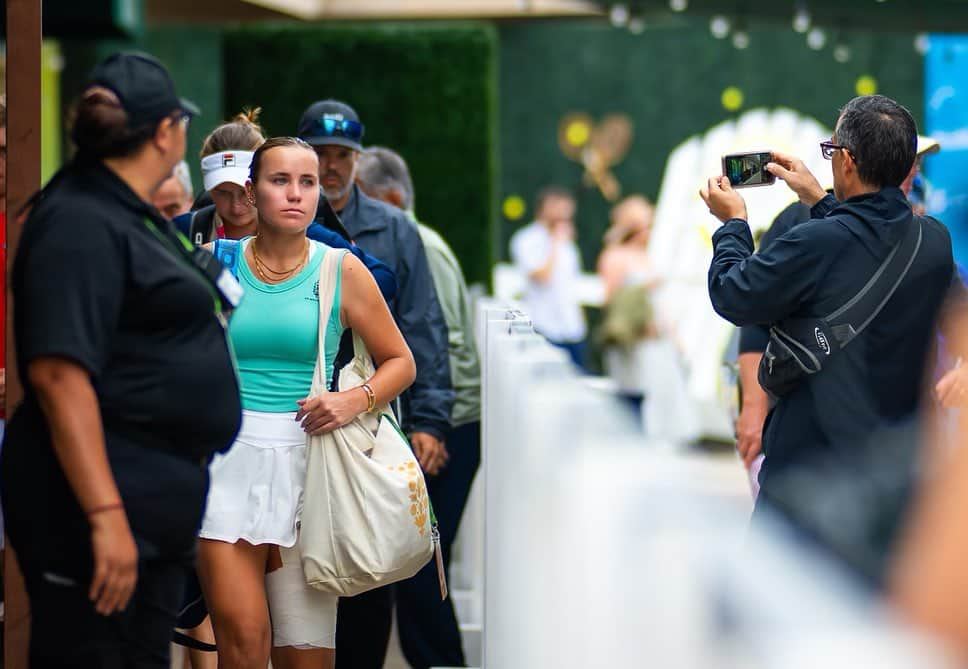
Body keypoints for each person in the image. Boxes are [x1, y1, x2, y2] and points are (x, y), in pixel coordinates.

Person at [1, 51, 242, 668]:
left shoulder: (126, 211)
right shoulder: (79, 219)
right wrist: (105, 514)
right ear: (166, 131)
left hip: (152, 505)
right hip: (98, 508)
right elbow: (58, 375)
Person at [702, 94, 954, 576]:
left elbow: (733, 294)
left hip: (807, 469)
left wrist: (733, 224)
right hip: (893, 473)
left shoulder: (812, 243)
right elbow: (866, 243)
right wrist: (819, 199)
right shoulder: (934, 242)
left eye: (832, 148)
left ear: (849, 161)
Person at [196, 136, 416, 669]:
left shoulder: (341, 270)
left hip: (312, 469)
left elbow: (401, 363)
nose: (295, 194)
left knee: (305, 660)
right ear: (250, 192)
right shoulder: (212, 262)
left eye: (307, 182)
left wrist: (350, 401)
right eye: (279, 181)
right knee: (243, 649)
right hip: (224, 466)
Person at [296, 99, 454, 669]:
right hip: (300, 424)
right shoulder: (279, 226)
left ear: (358, 161)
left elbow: (422, 327)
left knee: (368, 565)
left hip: (372, 424)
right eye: (322, 154)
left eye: (343, 156)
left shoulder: (395, 230)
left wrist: (432, 420)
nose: (333, 166)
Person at [734, 135, 945, 495]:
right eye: (906, 158)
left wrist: (731, 227)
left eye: (916, 161)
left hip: (886, 443)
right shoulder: (801, 221)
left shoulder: (924, 234)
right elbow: (752, 314)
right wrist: (754, 406)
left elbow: (955, 309)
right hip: (810, 434)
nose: (912, 169)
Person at [357, 146, 481, 669]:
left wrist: (432, 424)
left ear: (388, 197)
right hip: (447, 418)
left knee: (422, 574)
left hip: (445, 426)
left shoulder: (416, 245)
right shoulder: (424, 241)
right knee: (420, 573)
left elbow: (444, 343)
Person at [175, 109, 397, 301]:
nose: (236, 206)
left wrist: (315, 293)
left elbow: (385, 279)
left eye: (244, 193)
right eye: (222, 193)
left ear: (258, 184)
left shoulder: (304, 232)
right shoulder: (186, 230)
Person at [510, 186, 587, 368]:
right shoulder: (526, 239)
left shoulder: (567, 243)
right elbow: (542, 276)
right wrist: (555, 243)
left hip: (572, 328)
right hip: (544, 326)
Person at [596, 194, 657, 301]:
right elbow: (611, 297)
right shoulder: (615, 255)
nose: (650, 231)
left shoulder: (643, 254)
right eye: (648, 226)